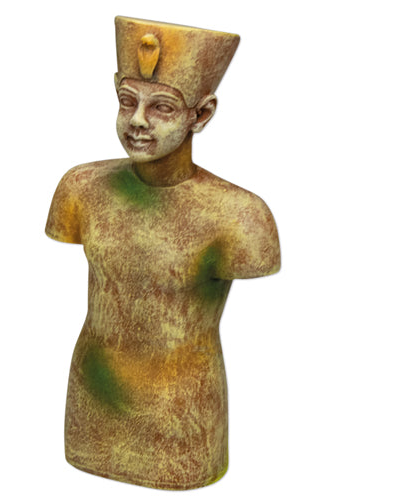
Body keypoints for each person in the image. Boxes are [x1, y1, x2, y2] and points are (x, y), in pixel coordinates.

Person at [45, 16, 280, 490]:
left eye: (162, 107)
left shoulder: (240, 216)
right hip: (94, 401)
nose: (137, 120)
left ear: (201, 114)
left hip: (182, 419)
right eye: (127, 101)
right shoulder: (82, 188)